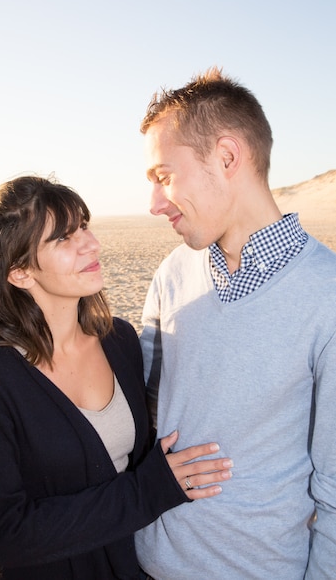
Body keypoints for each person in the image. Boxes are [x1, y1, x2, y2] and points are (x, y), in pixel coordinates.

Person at [0, 175, 233, 580]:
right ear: (20, 272)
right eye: (64, 239)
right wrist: (147, 492)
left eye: (84, 226)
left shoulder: (119, 340)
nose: (92, 243)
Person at [134, 67, 336, 579]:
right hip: (147, 563)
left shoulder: (327, 294)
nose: (154, 204)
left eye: (163, 176)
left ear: (227, 157)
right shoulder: (171, 272)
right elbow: (144, 417)